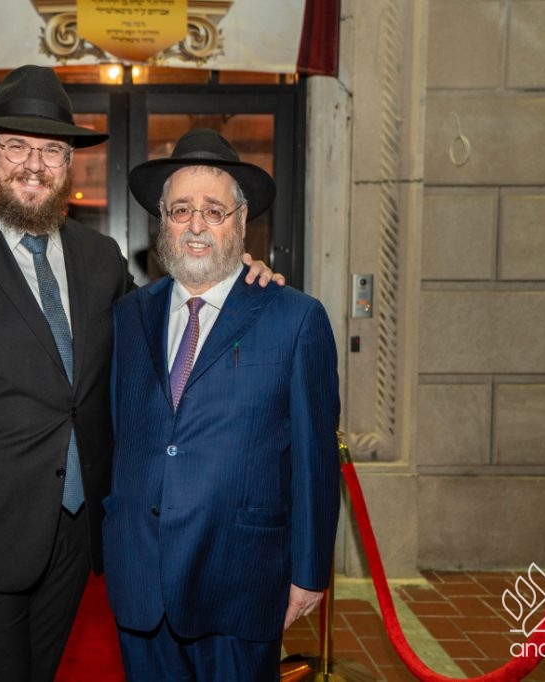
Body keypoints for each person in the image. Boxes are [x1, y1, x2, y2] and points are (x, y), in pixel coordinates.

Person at [0, 66, 280, 681]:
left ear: (68, 163)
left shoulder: (98, 257)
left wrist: (236, 274)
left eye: (52, 151)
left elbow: (162, 328)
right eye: (18, 147)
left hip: (73, 536)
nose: (34, 165)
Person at [103, 128, 342, 681]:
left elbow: (315, 459)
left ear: (240, 220)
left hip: (240, 578)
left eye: (214, 211)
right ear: (162, 222)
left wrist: (309, 572)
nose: (196, 225)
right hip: (141, 578)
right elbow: (120, 433)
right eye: (181, 210)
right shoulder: (129, 315)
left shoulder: (295, 317)